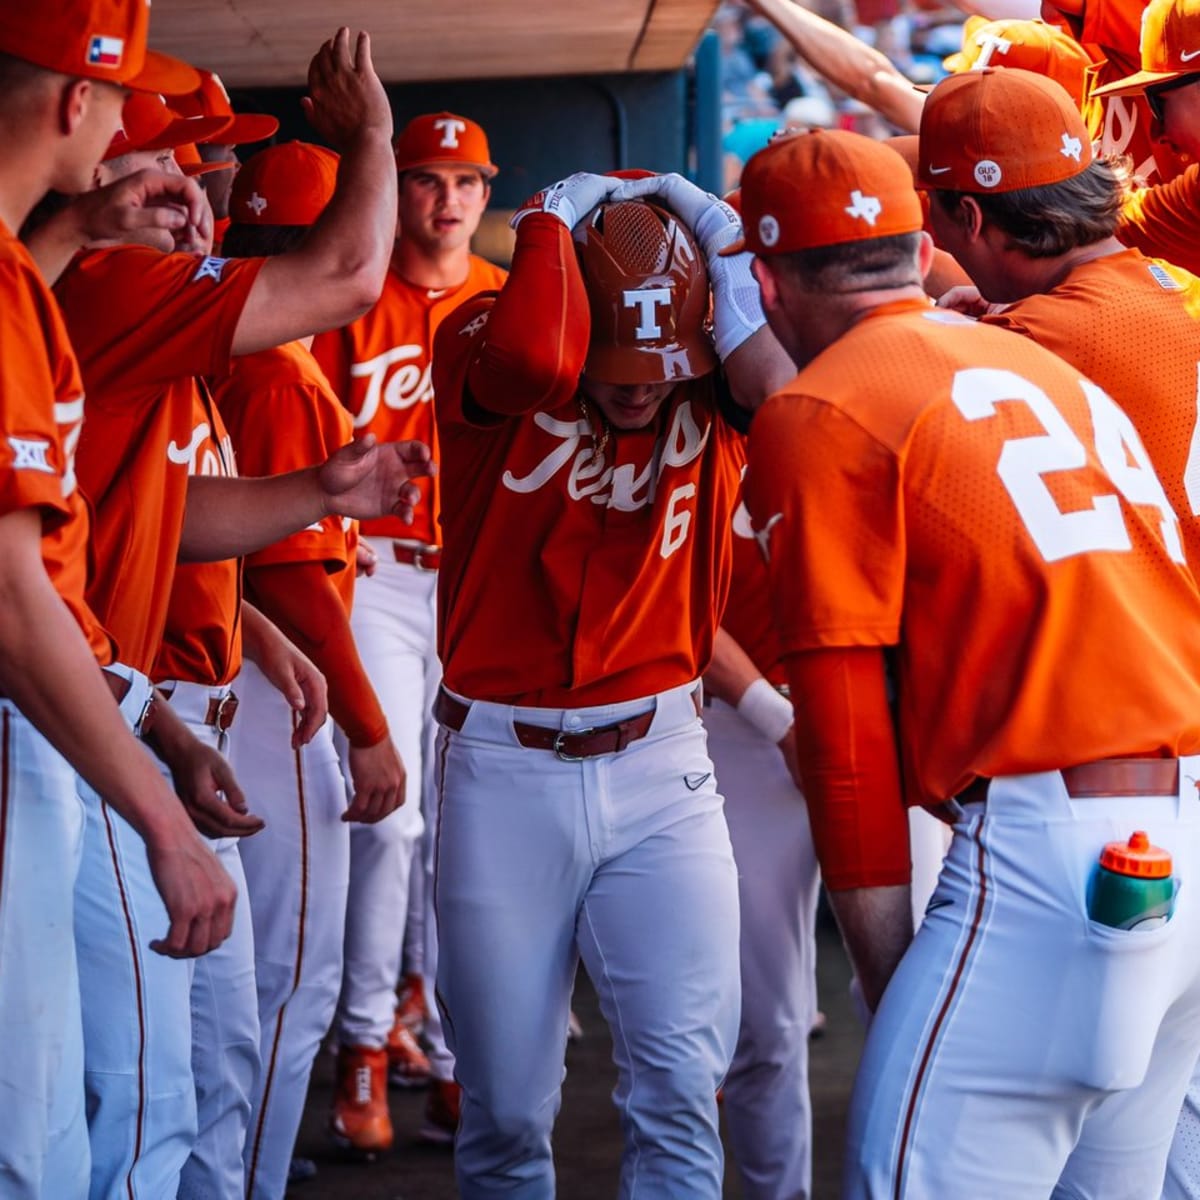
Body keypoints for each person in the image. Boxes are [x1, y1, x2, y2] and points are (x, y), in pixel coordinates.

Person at [741, 126, 1200, 1199]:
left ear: (766, 284)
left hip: (1062, 849)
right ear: (920, 247)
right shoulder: (1039, 354)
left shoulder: (816, 406)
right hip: (1182, 824)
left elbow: (844, 736)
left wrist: (890, 968)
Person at [53, 29, 431, 1200]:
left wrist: (312, 496)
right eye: (179, 168)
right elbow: (349, 278)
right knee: (134, 1096)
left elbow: (161, 510)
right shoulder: (108, 286)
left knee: (204, 1060)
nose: (198, 198)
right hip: (96, 709)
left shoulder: (137, 315)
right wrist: (373, 134)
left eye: (209, 176)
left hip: (153, 711)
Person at [429, 167, 793, 1195]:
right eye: (619, 357)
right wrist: (547, 216)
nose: (642, 382)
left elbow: (784, 395)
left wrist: (722, 242)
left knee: (681, 1092)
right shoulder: (486, 342)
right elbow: (534, 354)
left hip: (663, 766)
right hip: (503, 765)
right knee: (505, 1112)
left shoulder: (716, 379)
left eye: (660, 357)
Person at [921, 63, 1200, 1198]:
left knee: (963, 1152)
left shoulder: (1020, 352)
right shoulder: (1160, 293)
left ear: (973, 219)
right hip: (1179, 738)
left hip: (1107, 778)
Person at [0, 4, 242, 1195]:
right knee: (30, 1131)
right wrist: (158, 816)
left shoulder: (16, 272)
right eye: (117, 103)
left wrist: (78, 225)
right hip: (23, 727)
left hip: (66, 712)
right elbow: (9, 601)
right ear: (67, 104)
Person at [311, 110, 507, 1150]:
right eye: (425, 179)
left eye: (463, 182)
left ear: (486, 192)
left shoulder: (508, 306)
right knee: (391, 825)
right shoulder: (350, 296)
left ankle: (447, 1045)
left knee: (463, 831)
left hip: (474, 585)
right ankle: (361, 1045)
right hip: (379, 574)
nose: (444, 201)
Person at [215, 138, 410, 1183]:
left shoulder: (228, 349)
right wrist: (371, 730)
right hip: (266, 692)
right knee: (285, 983)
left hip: (223, 666)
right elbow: (287, 576)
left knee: (233, 981)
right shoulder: (283, 372)